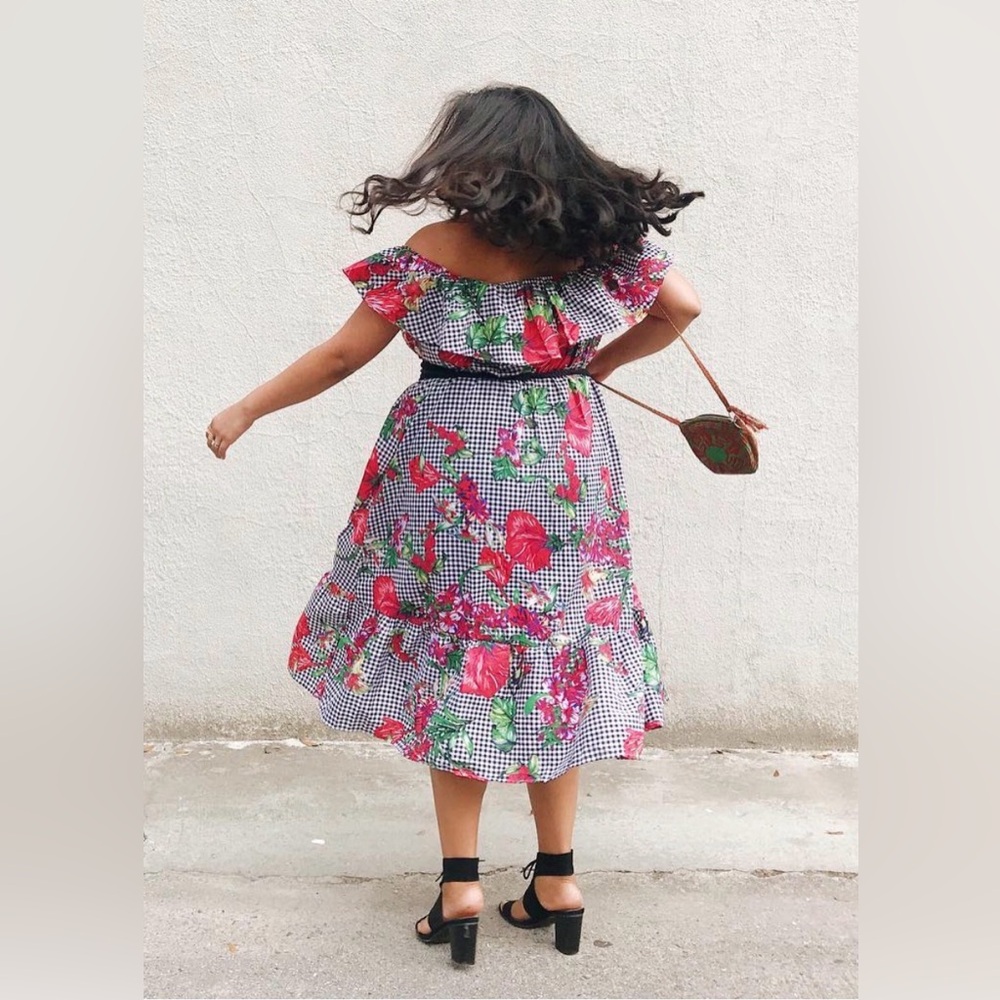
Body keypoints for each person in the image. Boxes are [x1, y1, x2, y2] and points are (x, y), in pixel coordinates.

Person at [205, 84, 703, 966]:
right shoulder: (598, 244)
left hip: (448, 463)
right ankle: (557, 878)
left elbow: (340, 356)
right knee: (554, 647)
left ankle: (461, 887)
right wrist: (589, 366)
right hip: (566, 457)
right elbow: (682, 309)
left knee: (462, 650)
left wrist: (247, 410)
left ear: (470, 157)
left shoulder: (433, 250)